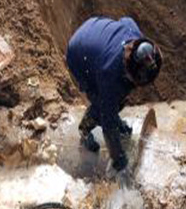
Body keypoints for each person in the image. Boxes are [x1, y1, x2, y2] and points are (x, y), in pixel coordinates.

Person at [66, 16, 163, 172]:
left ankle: (113, 117)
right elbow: (108, 126)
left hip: (94, 28)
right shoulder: (110, 76)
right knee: (103, 106)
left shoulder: (135, 37)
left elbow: (126, 20)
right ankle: (84, 130)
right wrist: (119, 160)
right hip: (78, 54)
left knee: (116, 101)